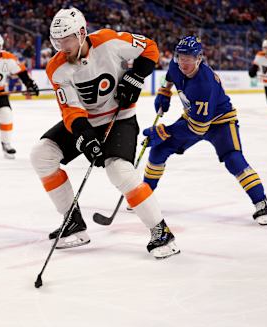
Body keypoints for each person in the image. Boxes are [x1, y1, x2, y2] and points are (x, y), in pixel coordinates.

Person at [29, 8, 179, 259]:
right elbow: (70, 111)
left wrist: (136, 75)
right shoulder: (57, 68)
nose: (61, 46)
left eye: (66, 39)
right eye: (57, 41)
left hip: (119, 118)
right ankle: (73, 222)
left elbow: (150, 47)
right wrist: (85, 137)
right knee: (41, 155)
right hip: (87, 121)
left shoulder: (109, 41)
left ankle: (161, 231)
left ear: (81, 33)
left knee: (118, 170)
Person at [143, 36, 267, 226]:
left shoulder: (204, 84)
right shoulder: (176, 65)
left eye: (188, 58)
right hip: (194, 117)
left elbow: (198, 128)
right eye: (180, 57)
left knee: (233, 159)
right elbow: (170, 76)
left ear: (199, 59)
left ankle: (263, 203)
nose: (183, 62)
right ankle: (145, 198)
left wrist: (165, 131)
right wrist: (164, 92)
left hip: (221, 122)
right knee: (158, 150)